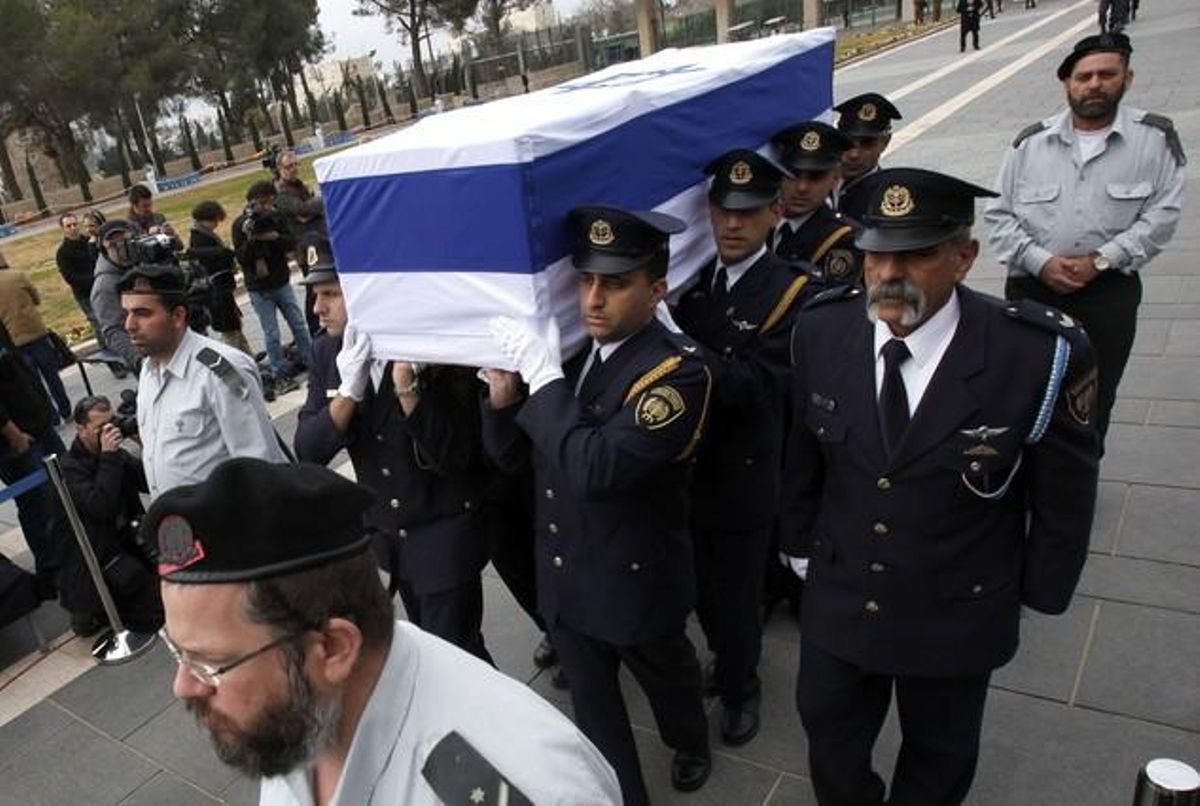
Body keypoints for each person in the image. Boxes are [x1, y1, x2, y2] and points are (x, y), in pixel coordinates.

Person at [780, 168, 1100, 806]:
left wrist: (1038, 593)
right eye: (875, 254)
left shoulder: (1032, 352)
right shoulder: (822, 329)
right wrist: (798, 548)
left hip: (955, 602)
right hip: (843, 591)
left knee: (941, 753)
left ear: (964, 256)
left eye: (916, 254)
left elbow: (1065, 489)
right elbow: (803, 453)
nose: (887, 274)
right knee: (830, 735)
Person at [148, 457, 622, 805]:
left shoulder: (527, 783)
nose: (183, 686)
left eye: (209, 663)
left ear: (333, 648)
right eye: (178, 651)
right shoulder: (298, 714)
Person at [482, 206, 713, 804]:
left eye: (615, 283)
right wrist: (506, 400)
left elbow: (595, 469)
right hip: (568, 574)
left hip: (636, 578)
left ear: (656, 289)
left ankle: (690, 740)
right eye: (586, 280)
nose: (593, 298)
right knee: (597, 720)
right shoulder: (577, 352)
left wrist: (543, 376)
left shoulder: (678, 374)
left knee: (669, 679)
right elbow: (517, 463)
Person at [672, 150, 814, 748]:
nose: (733, 224)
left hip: (743, 476)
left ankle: (740, 687)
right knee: (700, 592)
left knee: (735, 600)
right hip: (688, 476)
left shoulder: (793, 291)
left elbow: (759, 389)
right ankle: (725, 662)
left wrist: (679, 343)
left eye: (749, 213)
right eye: (724, 211)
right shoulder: (694, 282)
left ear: (774, 213)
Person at [293, 237, 493, 661]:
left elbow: (453, 456)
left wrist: (409, 391)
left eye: (330, 294)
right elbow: (308, 448)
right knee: (449, 656)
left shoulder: (426, 347)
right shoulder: (330, 352)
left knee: (455, 656)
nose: (317, 308)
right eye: (316, 295)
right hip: (392, 538)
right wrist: (347, 393)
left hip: (443, 532)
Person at [986, 33, 1185, 444]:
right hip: (1034, 287)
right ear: (1068, 84)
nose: (1094, 84)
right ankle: (1024, 479)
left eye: (1106, 74)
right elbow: (999, 215)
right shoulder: (1030, 144)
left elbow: (1162, 217)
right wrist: (1042, 261)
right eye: (1084, 76)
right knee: (1023, 388)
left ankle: (1076, 479)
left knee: (1093, 395)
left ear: (1127, 78)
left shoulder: (1153, 139)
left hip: (1107, 291)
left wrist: (1101, 260)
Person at [119, 263, 286, 499]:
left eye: (143, 313)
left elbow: (258, 464)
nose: (129, 325)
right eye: (126, 313)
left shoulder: (221, 369)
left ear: (177, 316)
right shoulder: (149, 369)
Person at [57, 395, 162, 637]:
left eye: (111, 423)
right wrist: (110, 457)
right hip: (100, 558)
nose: (109, 432)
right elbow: (100, 507)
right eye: (99, 428)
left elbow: (150, 482)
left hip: (131, 542)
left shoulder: (115, 454)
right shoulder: (68, 469)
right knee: (153, 613)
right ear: (80, 429)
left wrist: (144, 441)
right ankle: (89, 611)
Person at [0, 318, 66, 601]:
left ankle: (76, 553)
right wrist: (12, 433)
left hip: (35, 418)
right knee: (36, 501)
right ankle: (52, 573)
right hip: (14, 435)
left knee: (67, 482)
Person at [232, 181, 312, 393]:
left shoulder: (275, 218)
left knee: (298, 324)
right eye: (266, 202)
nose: (268, 206)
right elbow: (240, 257)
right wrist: (251, 239)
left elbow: (291, 241)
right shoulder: (241, 224)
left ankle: (311, 361)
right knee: (271, 333)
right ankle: (278, 371)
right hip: (259, 288)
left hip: (281, 280)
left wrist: (274, 237)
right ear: (256, 200)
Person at [771, 121, 864, 286]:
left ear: (835, 178)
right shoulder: (762, 225)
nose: (802, 187)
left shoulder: (846, 240)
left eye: (815, 177)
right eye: (793, 174)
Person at [0, 255, 72, 422]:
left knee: (34, 383)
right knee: (52, 375)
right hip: (35, 332)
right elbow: (36, 299)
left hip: (14, 340)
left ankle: (51, 416)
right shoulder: (18, 276)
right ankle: (65, 409)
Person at [187, 201, 252, 356]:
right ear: (205, 219)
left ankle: (247, 356)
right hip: (217, 290)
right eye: (214, 220)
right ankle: (238, 358)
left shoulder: (203, 235)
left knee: (235, 327)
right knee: (230, 330)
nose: (216, 224)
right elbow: (216, 259)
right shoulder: (200, 239)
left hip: (221, 288)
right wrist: (227, 255)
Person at [273, 151, 326, 337]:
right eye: (289, 166)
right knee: (314, 288)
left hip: (317, 240)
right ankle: (315, 331)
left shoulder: (299, 186)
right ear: (280, 169)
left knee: (323, 284)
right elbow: (302, 211)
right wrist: (318, 202)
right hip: (305, 247)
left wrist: (311, 209)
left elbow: (307, 212)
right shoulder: (281, 193)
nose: (294, 169)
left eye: (296, 164)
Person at [834, 93, 903, 223]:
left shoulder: (887, 200)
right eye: (847, 142)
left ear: (885, 142)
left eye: (867, 143)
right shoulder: (817, 184)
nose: (854, 154)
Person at [92, 219, 144, 373]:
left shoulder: (143, 266)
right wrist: (140, 361)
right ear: (104, 249)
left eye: (125, 241)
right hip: (148, 356)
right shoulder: (105, 286)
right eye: (113, 245)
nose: (121, 248)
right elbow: (113, 331)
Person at [54, 212, 103, 344]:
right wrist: (95, 277)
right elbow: (71, 278)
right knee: (97, 323)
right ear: (63, 229)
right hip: (85, 294)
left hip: (102, 287)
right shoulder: (62, 253)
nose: (73, 228)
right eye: (68, 226)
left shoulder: (89, 241)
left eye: (75, 224)